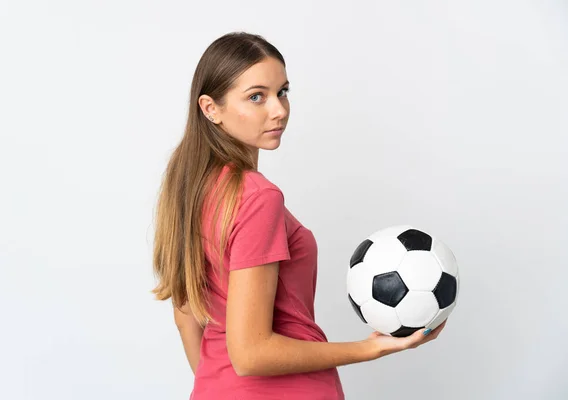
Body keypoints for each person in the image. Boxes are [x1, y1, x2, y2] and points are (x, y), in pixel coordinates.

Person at [151, 31, 446, 400]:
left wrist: (222, 387)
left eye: (282, 92)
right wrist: (372, 348)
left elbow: (185, 317)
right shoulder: (257, 197)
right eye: (256, 96)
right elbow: (251, 354)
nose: (278, 110)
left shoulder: (189, 188)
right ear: (211, 108)